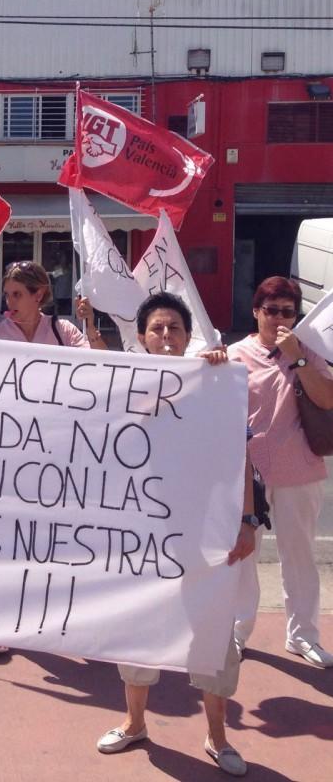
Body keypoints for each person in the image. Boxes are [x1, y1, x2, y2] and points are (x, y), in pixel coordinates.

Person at [86, 292, 256, 777]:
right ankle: (135, 723)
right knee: (139, 631)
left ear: (187, 336)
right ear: (142, 337)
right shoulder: (126, 386)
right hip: (144, 539)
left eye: (174, 328)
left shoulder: (216, 384)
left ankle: (217, 736)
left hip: (208, 539)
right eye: (157, 329)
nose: (165, 336)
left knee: (212, 636)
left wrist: (247, 521)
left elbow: (240, 459)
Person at [0, 261, 89, 656]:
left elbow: (101, 372)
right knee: (6, 538)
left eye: (17, 294)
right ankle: (0, 623)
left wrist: (92, 325)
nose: (9, 302)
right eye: (7, 294)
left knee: (52, 541)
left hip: (58, 452)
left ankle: (51, 617)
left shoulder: (65, 332)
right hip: (8, 452)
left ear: (38, 294)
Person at [229, 276, 333, 669]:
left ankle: (303, 635)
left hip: (298, 469)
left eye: (287, 312)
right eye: (271, 310)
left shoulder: (307, 351)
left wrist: (298, 358)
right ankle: (237, 631)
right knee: (243, 556)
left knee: (299, 556)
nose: (278, 318)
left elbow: (326, 398)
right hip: (247, 474)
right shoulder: (236, 354)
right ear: (256, 311)